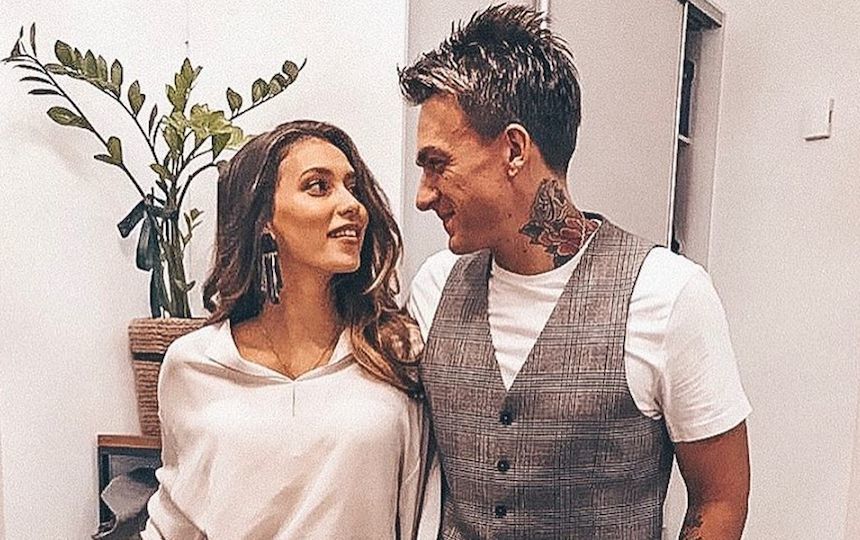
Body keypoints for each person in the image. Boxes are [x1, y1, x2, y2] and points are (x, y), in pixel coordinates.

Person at [400, 5, 751, 539]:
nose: (423, 196)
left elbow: (720, 499)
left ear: (514, 150)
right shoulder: (433, 286)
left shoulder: (668, 294)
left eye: (437, 164)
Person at [141, 120, 438, 539]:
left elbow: (424, 510)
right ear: (264, 219)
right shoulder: (193, 364)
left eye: (352, 187)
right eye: (319, 186)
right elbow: (174, 519)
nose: (352, 204)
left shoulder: (393, 351)